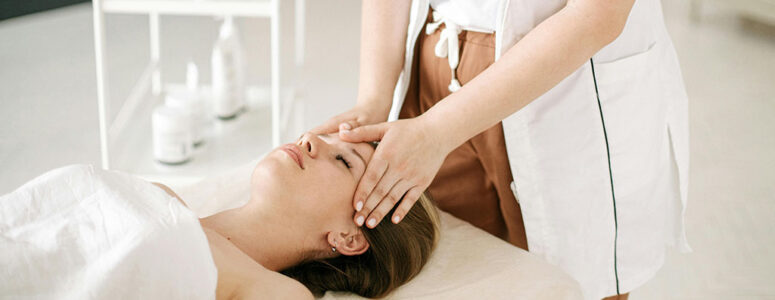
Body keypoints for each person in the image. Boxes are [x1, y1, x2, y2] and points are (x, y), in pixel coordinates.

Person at [312, 0, 690, 299]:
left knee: (578, 281)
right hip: (437, 62)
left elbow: (599, 11)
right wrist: (375, 97)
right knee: (456, 274)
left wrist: (436, 132)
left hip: (561, 77)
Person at [0, 133, 440, 299]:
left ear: (348, 238)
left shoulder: (276, 292)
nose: (310, 139)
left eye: (344, 162)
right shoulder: (162, 195)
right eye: (327, 139)